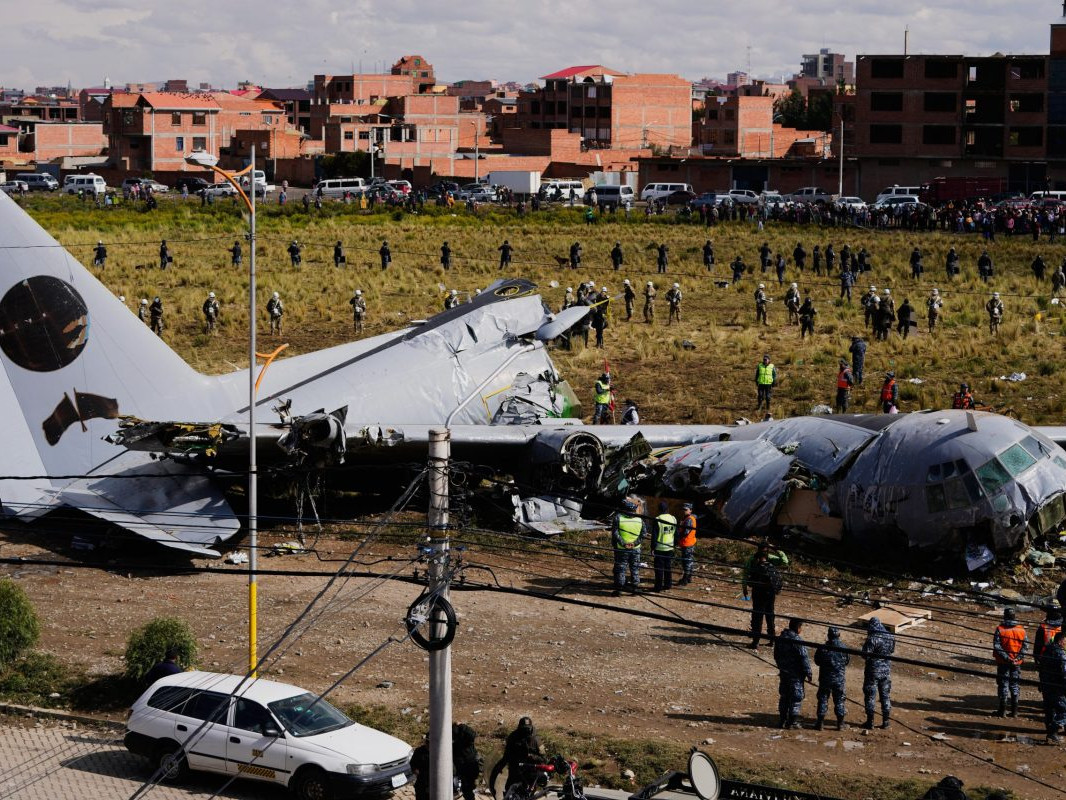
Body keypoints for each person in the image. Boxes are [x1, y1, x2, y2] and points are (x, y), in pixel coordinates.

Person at [743, 542, 785, 648]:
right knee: (770, 616)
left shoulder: (757, 567)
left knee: (757, 617)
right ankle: (772, 640)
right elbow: (778, 581)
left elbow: (750, 581)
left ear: (758, 558)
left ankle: (755, 642)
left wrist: (746, 586)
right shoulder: (772, 566)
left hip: (758, 595)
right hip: (770, 595)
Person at [488, 717, 544, 797]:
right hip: (515, 770)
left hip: (529, 772)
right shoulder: (513, 737)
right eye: (523, 728)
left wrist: (531, 756)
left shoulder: (536, 740)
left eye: (527, 728)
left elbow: (543, 758)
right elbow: (507, 754)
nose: (525, 731)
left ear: (531, 727)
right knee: (509, 792)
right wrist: (499, 767)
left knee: (527, 794)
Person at [773, 619, 812, 729]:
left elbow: (776, 655)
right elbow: (804, 658)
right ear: (798, 628)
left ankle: (782, 720)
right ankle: (792, 722)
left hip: (784, 672)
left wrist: (781, 666)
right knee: (796, 697)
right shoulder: (797, 640)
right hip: (796, 674)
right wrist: (808, 673)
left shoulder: (781, 638)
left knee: (784, 696)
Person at [861, 616, 895, 729]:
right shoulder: (890, 636)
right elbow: (892, 650)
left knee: (870, 696)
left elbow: (865, 655)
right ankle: (886, 722)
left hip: (873, 671)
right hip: (886, 671)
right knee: (885, 696)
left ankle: (870, 722)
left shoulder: (872, 638)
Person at [993, 607, 1027, 718]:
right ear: (1014, 617)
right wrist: (1017, 658)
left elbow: (997, 646)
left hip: (1003, 663)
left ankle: (1002, 711)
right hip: (1017, 663)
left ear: (1005, 616)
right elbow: (1025, 647)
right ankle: (1015, 712)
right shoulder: (1021, 630)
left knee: (1003, 684)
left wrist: (1007, 658)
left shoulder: (1000, 629)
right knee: (1015, 685)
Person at [814, 627, 849, 731]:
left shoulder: (822, 648)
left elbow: (817, 661)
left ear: (828, 635)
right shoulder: (844, 648)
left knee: (823, 699)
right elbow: (847, 661)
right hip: (839, 680)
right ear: (839, 635)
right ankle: (840, 724)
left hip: (825, 679)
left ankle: (820, 723)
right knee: (839, 700)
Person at [1037, 631, 1066, 744]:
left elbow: (1041, 669)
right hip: (1057, 687)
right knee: (1063, 710)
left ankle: (1051, 733)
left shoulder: (1046, 651)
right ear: (1061, 641)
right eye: (1064, 641)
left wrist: (1041, 683)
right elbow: (1064, 672)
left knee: (1050, 709)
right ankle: (1053, 732)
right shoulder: (1060, 654)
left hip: (1046, 685)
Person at [612, 499, 645, 595]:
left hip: (622, 549)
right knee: (635, 568)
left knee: (621, 568)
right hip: (635, 549)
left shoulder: (618, 518)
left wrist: (623, 543)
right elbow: (643, 534)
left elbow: (615, 533)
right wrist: (634, 543)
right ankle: (635, 588)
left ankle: (619, 589)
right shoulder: (640, 520)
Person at [452, 722, 481, 800]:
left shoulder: (466, 739)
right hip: (463, 767)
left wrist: (462, 726)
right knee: (466, 789)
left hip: (468, 767)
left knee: (467, 789)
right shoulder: (458, 739)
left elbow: (472, 735)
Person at [652, 501, 676, 592]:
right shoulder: (673, 518)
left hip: (659, 548)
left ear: (659, 509)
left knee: (659, 568)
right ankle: (668, 584)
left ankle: (658, 587)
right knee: (668, 567)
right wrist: (675, 544)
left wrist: (652, 548)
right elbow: (676, 533)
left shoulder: (657, 519)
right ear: (667, 509)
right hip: (670, 547)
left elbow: (654, 536)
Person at [676, 502, 697, 586]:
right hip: (689, 542)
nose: (684, 511)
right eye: (683, 509)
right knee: (689, 561)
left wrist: (677, 537)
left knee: (686, 562)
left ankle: (685, 579)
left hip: (687, 543)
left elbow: (685, 532)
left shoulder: (689, 519)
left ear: (690, 510)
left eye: (686, 510)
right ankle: (688, 578)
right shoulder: (688, 518)